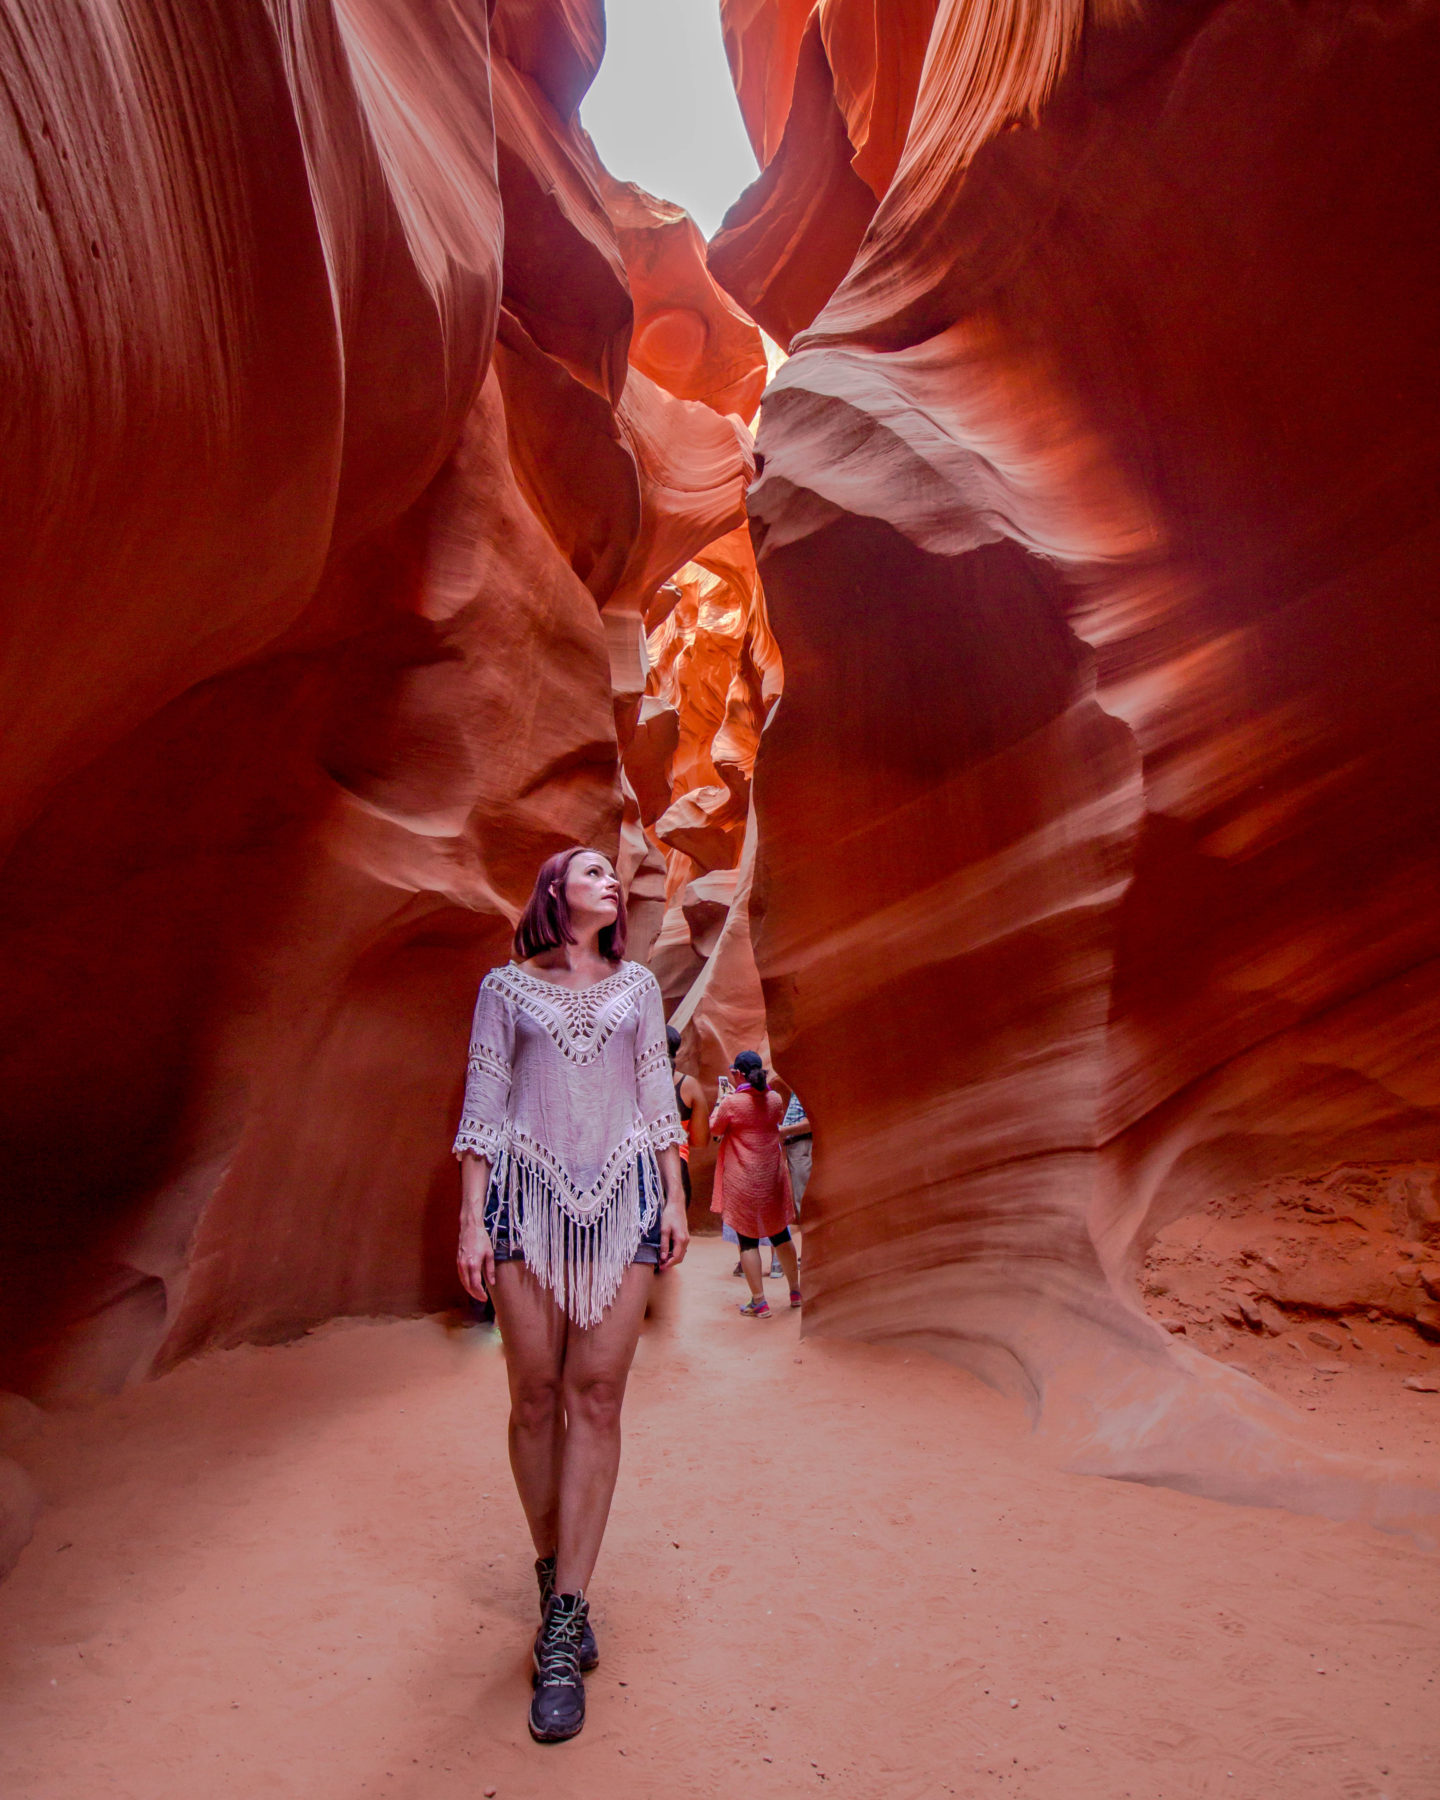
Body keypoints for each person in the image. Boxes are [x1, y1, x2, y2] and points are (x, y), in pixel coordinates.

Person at [454, 847, 689, 1744]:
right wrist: (472, 1220)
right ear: (555, 890)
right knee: (534, 1398)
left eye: (610, 876)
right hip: (524, 1201)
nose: (607, 881)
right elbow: (484, 1101)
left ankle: (564, 1623)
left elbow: (654, 1093)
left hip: (622, 1200)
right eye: (589, 870)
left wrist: (674, 1195)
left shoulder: (637, 990)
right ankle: (553, 1569)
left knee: (596, 1397)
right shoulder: (504, 990)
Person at [709, 1051, 799, 1317]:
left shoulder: (731, 1103)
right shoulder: (774, 1099)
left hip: (742, 1180)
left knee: (747, 1239)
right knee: (780, 1233)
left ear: (738, 1074)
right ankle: (795, 1291)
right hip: (771, 1176)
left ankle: (759, 1301)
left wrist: (718, 1105)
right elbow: (775, 1121)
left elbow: (715, 1129)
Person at [665, 1025, 709, 1210]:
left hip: (637, 1174)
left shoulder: (632, 1082)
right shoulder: (688, 1086)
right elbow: (699, 1140)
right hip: (675, 1174)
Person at [780, 1089, 813, 1209]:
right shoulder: (798, 1087)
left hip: (801, 1144)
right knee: (798, 1196)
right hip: (794, 1145)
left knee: (802, 1197)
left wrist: (785, 1131)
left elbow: (813, 1122)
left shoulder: (809, 1087)